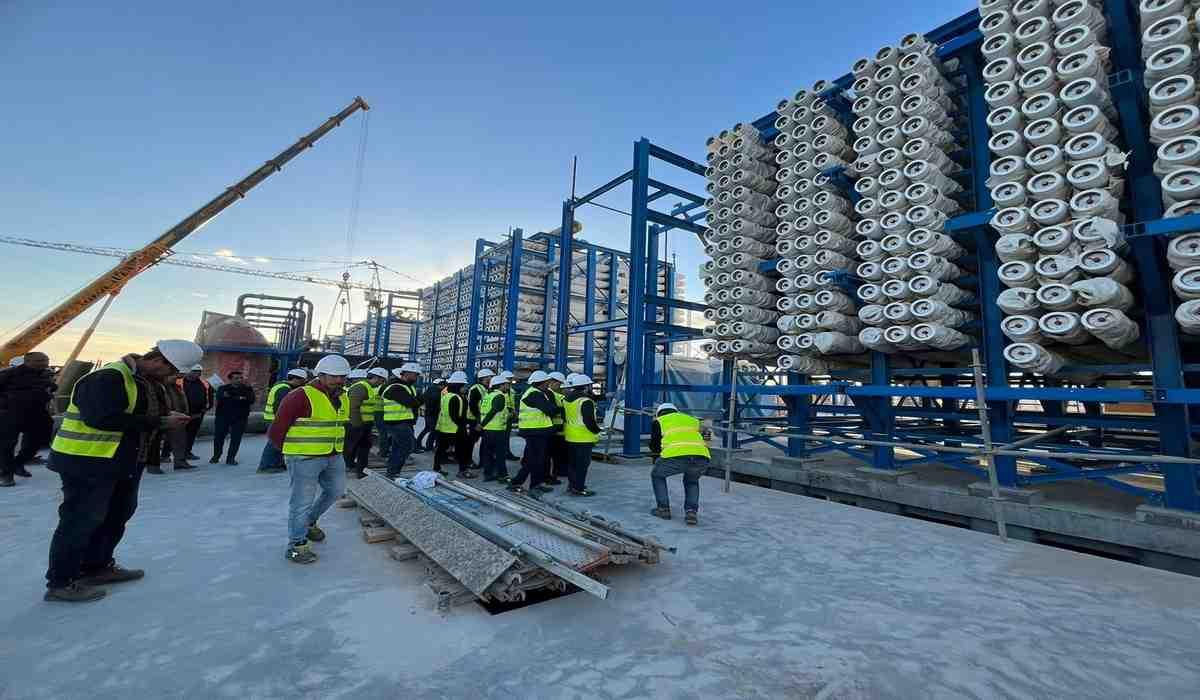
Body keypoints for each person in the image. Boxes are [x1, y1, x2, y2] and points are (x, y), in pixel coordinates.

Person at [44, 339, 200, 602]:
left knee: (116, 515)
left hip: (123, 462)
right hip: (87, 462)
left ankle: (97, 567)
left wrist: (166, 415)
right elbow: (101, 418)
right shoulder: (108, 377)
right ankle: (61, 582)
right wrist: (160, 421)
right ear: (157, 360)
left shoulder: (147, 382)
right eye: (171, 371)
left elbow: (142, 412)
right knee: (80, 521)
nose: (172, 378)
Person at [268, 354, 351, 564]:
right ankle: (296, 545)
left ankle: (309, 522)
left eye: (342, 377)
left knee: (336, 491)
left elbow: (339, 425)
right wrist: (292, 453)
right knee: (301, 503)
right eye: (334, 377)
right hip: (304, 458)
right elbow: (276, 430)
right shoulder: (300, 396)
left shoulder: (343, 396)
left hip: (333, 455)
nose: (339, 381)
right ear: (320, 375)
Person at [0, 352, 57, 487]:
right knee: (7, 445)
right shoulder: (10, 374)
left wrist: (51, 389)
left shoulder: (45, 374)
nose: (44, 363)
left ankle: (18, 463)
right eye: (40, 360)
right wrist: (6, 402)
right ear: (28, 361)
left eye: (46, 360)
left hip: (36, 414)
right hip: (11, 414)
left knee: (40, 440)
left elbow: (49, 388)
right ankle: (6, 475)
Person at [649, 403, 711, 526]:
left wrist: (657, 455)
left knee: (657, 475)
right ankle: (691, 512)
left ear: (659, 413)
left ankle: (663, 509)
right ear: (676, 411)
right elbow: (703, 434)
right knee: (692, 481)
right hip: (701, 456)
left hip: (675, 454)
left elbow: (655, 445)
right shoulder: (692, 420)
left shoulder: (659, 421)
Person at [507, 370, 559, 495]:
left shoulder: (534, 393)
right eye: (547, 382)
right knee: (534, 460)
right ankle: (520, 483)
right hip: (535, 432)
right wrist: (558, 407)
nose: (548, 385)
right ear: (542, 383)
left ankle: (532, 484)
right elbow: (550, 410)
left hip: (535, 431)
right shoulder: (535, 394)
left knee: (535, 459)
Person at [258, 368, 308, 473]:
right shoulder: (284, 389)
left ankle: (276, 464)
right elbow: (280, 408)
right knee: (274, 443)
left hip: (273, 418)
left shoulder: (280, 385)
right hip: (275, 420)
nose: (303, 384)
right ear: (295, 379)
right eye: (303, 381)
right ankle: (266, 466)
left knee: (279, 442)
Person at [344, 367, 387, 479]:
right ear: (376, 378)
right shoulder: (361, 387)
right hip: (358, 424)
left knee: (354, 447)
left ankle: (350, 465)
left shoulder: (366, 387)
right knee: (363, 448)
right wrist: (358, 425)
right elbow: (353, 407)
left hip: (362, 423)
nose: (381, 384)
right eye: (382, 381)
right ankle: (361, 471)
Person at [381, 362, 423, 478]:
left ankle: (392, 471)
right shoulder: (396, 387)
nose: (416, 378)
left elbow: (415, 402)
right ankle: (393, 471)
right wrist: (419, 400)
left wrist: (417, 401)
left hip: (402, 421)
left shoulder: (404, 386)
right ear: (407, 374)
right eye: (415, 375)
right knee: (407, 446)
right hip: (397, 422)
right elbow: (412, 402)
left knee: (397, 447)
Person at [562, 374, 601, 496]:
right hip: (584, 437)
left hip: (570, 436)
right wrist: (597, 430)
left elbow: (564, 417)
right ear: (586, 387)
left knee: (573, 463)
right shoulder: (586, 401)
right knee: (582, 465)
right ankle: (578, 488)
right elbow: (589, 421)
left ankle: (572, 485)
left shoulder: (566, 399)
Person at [433, 371, 475, 478]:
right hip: (455, 429)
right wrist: (463, 426)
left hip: (444, 428)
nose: (466, 388)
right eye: (464, 385)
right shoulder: (456, 397)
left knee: (440, 449)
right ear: (458, 385)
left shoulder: (446, 395)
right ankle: (463, 471)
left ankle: (436, 469)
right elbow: (455, 415)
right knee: (462, 450)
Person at [210, 370, 255, 465]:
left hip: (240, 418)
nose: (239, 380)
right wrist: (240, 398)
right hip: (223, 417)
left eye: (240, 378)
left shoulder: (247, 389)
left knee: (236, 438)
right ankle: (216, 456)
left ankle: (230, 458)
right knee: (219, 437)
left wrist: (233, 397)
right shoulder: (222, 388)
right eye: (236, 378)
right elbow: (220, 398)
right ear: (230, 380)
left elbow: (251, 400)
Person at [152, 372, 193, 471]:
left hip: (178, 417)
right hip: (162, 417)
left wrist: (185, 413)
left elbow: (182, 400)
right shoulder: (158, 386)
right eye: (172, 376)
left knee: (180, 441)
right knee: (155, 442)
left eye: (175, 376)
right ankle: (153, 466)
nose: (175, 378)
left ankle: (180, 462)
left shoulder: (177, 387)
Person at [477, 374, 511, 482]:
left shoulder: (487, 396)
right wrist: (481, 424)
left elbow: (482, 412)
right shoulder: (499, 396)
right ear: (500, 385)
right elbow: (493, 412)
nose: (508, 386)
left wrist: (481, 424)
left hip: (487, 430)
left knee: (488, 453)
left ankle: (488, 474)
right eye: (506, 384)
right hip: (497, 430)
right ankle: (503, 475)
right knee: (500, 453)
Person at [174, 365, 212, 460]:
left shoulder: (204, 383)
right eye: (195, 371)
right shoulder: (179, 382)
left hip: (198, 413)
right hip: (181, 413)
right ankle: (166, 454)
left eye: (199, 372)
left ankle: (187, 452)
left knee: (191, 434)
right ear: (187, 371)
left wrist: (207, 407)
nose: (197, 373)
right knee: (176, 434)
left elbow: (210, 395)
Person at [465, 368, 493, 469]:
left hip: (483, 420)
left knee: (485, 442)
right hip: (474, 420)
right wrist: (478, 421)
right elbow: (473, 406)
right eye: (490, 377)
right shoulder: (476, 388)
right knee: (471, 442)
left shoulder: (487, 389)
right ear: (483, 378)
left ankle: (483, 462)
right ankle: (467, 461)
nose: (491, 379)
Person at [545, 371, 568, 486]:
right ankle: (551, 475)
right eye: (559, 383)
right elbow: (553, 410)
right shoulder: (549, 394)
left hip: (558, 428)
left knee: (558, 453)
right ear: (552, 382)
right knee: (553, 454)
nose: (560, 386)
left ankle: (558, 472)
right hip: (553, 428)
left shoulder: (556, 394)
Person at [417, 377, 444, 451]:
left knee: (426, 429)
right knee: (433, 431)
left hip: (428, 413)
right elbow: (437, 403)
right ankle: (429, 446)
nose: (443, 387)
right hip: (433, 414)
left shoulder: (429, 390)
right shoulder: (437, 392)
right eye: (442, 385)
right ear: (439, 385)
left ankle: (418, 443)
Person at [501, 370, 520, 461]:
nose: (511, 381)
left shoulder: (511, 391)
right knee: (500, 437)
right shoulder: (499, 391)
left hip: (509, 416)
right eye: (509, 379)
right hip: (500, 418)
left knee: (506, 436)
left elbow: (511, 402)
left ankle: (507, 452)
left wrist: (514, 411)